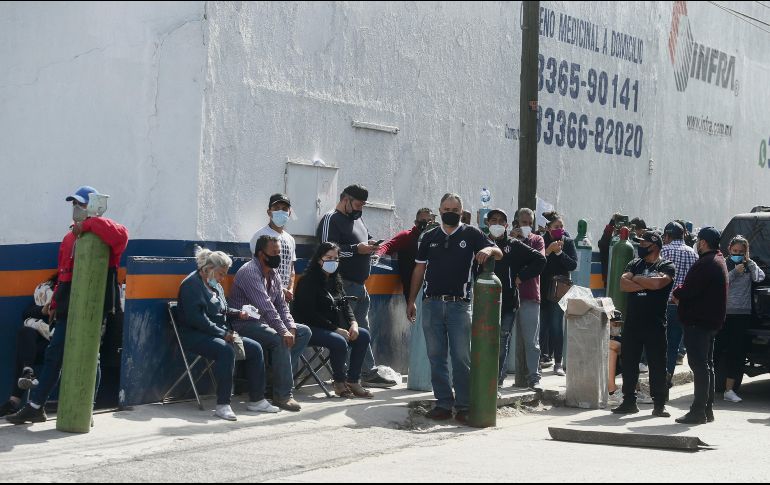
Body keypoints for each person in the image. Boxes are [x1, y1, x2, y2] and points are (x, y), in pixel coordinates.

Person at [7, 186, 129, 425]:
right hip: (67, 299)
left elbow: (121, 236)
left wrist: (90, 224)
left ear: (93, 206)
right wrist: (54, 302)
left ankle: (86, 408)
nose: (76, 208)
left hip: (94, 300)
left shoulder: (101, 230)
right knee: (55, 353)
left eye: (81, 204)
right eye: (74, 203)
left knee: (91, 353)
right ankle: (36, 406)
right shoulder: (70, 236)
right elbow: (64, 273)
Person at [406, 193, 503, 423]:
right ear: (439, 210)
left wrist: (489, 250)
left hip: (459, 305)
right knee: (436, 356)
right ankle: (442, 404)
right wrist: (411, 301)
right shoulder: (429, 236)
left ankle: (463, 406)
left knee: (461, 357)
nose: (450, 211)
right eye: (446, 207)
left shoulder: (471, 234)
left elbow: (498, 252)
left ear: (461, 211)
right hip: (431, 304)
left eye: (454, 208)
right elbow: (419, 270)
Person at [177, 248, 277, 421]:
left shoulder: (214, 284)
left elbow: (222, 309)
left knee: (255, 349)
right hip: (195, 335)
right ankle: (223, 405)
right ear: (207, 269)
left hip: (218, 332)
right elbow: (197, 320)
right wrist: (223, 333)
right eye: (220, 274)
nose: (223, 278)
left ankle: (257, 399)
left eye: (224, 274)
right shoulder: (191, 285)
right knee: (226, 351)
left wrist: (239, 313)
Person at [317, 184, 396, 388]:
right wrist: (356, 249)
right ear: (346, 200)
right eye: (358, 204)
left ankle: (366, 372)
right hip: (340, 285)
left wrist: (372, 245)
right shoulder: (330, 219)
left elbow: (364, 239)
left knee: (362, 330)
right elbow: (326, 251)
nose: (360, 209)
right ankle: (343, 377)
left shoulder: (357, 219)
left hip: (360, 285)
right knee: (346, 330)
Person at [229, 235, 312, 412]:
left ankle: (274, 379)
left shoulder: (273, 275)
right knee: (279, 338)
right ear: (261, 254)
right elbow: (266, 307)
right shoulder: (250, 272)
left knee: (303, 332)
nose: (278, 257)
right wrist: (283, 331)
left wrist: (290, 326)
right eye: (274, 253)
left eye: (279, 253)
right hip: (243, 324)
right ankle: (282, 394)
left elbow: (282, 306)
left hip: (265, 322)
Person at [292, 242, 373, 398]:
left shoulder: (336, 280)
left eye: (335, 259)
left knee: (363, 335)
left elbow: (345, 305)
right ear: (318, 259)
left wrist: (354, 324)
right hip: (310, 328)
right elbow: (309, 314)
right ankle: (339, 382)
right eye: (328, 258)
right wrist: (335, 329)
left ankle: (353, 380)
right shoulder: (307, 282)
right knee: (339, 341)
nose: (332, 262)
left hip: (332, 328)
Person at [611, 230, 675, 418]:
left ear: (654, 245)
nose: (641, 246)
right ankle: (629, 401)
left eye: (644, 243)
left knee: (657, 364)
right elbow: (623, 284)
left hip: (655, 324)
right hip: (633, 323)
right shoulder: (635, 263)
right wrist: (646, 282)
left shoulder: (666, 265)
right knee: (629, 363)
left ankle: (659, 404)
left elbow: (659, 284)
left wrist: (637, 279)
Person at [672, 227, 729, 425]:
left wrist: (677, 294)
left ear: (703, 243)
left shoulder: (707, 263)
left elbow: (688, 289)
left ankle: (698, 411)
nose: (697, 244)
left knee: (700, 366)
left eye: (698, 241)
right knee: (707, 365)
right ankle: (706, 409)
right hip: (710, 322)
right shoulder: (718, 260)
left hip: (699, 322)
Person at [486, 209, 546, 390]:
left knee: (507, 339)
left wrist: (521, 276)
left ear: (506, 225)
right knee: (488, 341)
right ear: (487, 223)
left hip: (510, 301)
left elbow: (540, 260)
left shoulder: (514, 244)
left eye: (500, 221)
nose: (497, 224)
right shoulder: (481, 242)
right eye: (493, 220)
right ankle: (489, 380)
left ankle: (503, 380)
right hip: (486, 301)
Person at [716, 235, 764, 403]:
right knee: (717, 350)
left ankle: (729, 390)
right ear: (729, 249)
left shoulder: (749, 265)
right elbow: (720, 282)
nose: (737, 254)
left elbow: (759, 278)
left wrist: (749, 263)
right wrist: (735, 272)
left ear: (746, 252)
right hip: (724, 313)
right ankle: (711, 387)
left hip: (742, 315)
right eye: (735, 251)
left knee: (736, 353)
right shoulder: (724, 263)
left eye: (741, 252)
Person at [0, 275, 57, 417]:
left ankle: (15, 401)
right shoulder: (46, 291)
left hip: (57, 340)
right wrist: (42, 311)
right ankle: (28, 371)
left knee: (25, 353)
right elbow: (26, 313)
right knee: (25, 333)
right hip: (39, 343)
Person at [539, 211, 578, 377]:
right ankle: (541, 357)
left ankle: (558, 362)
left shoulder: (568, 242)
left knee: (556, 325)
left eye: (562, 226)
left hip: (559, 290)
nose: (560, 229)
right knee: (542, 326)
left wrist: (560, 253)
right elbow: (537, 263)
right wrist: (548, 251)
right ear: (548, 228)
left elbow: (573, 265)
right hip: (541, 288)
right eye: (556, 227)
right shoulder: (541, 241)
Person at [661, 221, 698, 386]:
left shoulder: (662, 251)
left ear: (667, 235)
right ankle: (667, 376)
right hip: (682, 306)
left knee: (658, 343)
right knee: (674, 344)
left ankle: (658, 377)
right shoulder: (693, 254)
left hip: (662, 304)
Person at [510, 208, 547, 370]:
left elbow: (538, 262)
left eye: (530, 223)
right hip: (510, 295)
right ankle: (499, 378)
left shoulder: (537, 240)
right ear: (517, 222)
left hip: (530, 295)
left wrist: (521, 276)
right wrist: (511, 239)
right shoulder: (509, 239)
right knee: (505, 339)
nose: (527, 226)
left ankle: (534, 376)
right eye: (524, 222)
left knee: (532, 341)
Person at [376, 208, 435, 301]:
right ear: (416, 222)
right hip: (413, 290)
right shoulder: (407, 236)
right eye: (423, 221)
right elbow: (388, 246)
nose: (427, 224)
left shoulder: (435, 237)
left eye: (429, 221)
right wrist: (377, 254)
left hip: (432, 290)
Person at [249, 193, 298, 303]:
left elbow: (291, 268)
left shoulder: (290, 239)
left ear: (289, 213)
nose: (281, 212)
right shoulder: (260, 236)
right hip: (265, 295)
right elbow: (257, 268)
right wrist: (280, 289)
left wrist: (290, 289)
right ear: (269, 212)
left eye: (284, 209)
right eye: (276, 208)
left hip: (285, 298)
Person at [598, 213, 628, 289]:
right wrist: (612, 222)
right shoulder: (608, 243)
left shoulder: (629, 244)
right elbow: (604, 240)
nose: (619, 231)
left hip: (625, 280)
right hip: (610, 280)